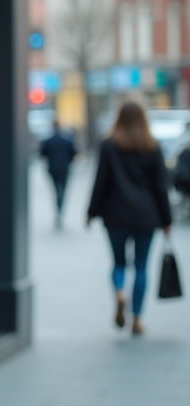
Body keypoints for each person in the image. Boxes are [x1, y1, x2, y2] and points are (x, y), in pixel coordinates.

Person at [86, 101, 172, 336]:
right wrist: (167, 220)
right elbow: (160, 187)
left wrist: (91, 212)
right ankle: (137, 318)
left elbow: (100, 181)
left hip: (115, 215)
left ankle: (119, 292)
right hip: (146, 216)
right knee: (142, 266)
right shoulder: (152, 146)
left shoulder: (108, 145)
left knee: (119, 263)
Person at [38, 118, 77, 228]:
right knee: (63, 190)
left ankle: (58, 209)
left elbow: (42, 154)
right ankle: (60, 209)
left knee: (56, 190)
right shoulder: (67, 140)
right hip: (65, 169)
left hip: (53, 169)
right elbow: (73, 154)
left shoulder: (48, 140)